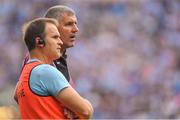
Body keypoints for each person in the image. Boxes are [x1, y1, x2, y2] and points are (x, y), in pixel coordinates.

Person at [14, 18, 93, 119]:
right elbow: (86, 111)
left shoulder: (25, 74)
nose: (60, 42)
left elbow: (16, 96)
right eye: (55, 37)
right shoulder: (45, 71)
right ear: (39, 42)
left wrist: (62, 105)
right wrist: (83, 105)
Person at [22, 5, 78, 85]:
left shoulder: (57, 59)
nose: (76, 29)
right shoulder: (39, 58)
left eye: (75, 24)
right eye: (68, 24)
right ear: (53, 27)